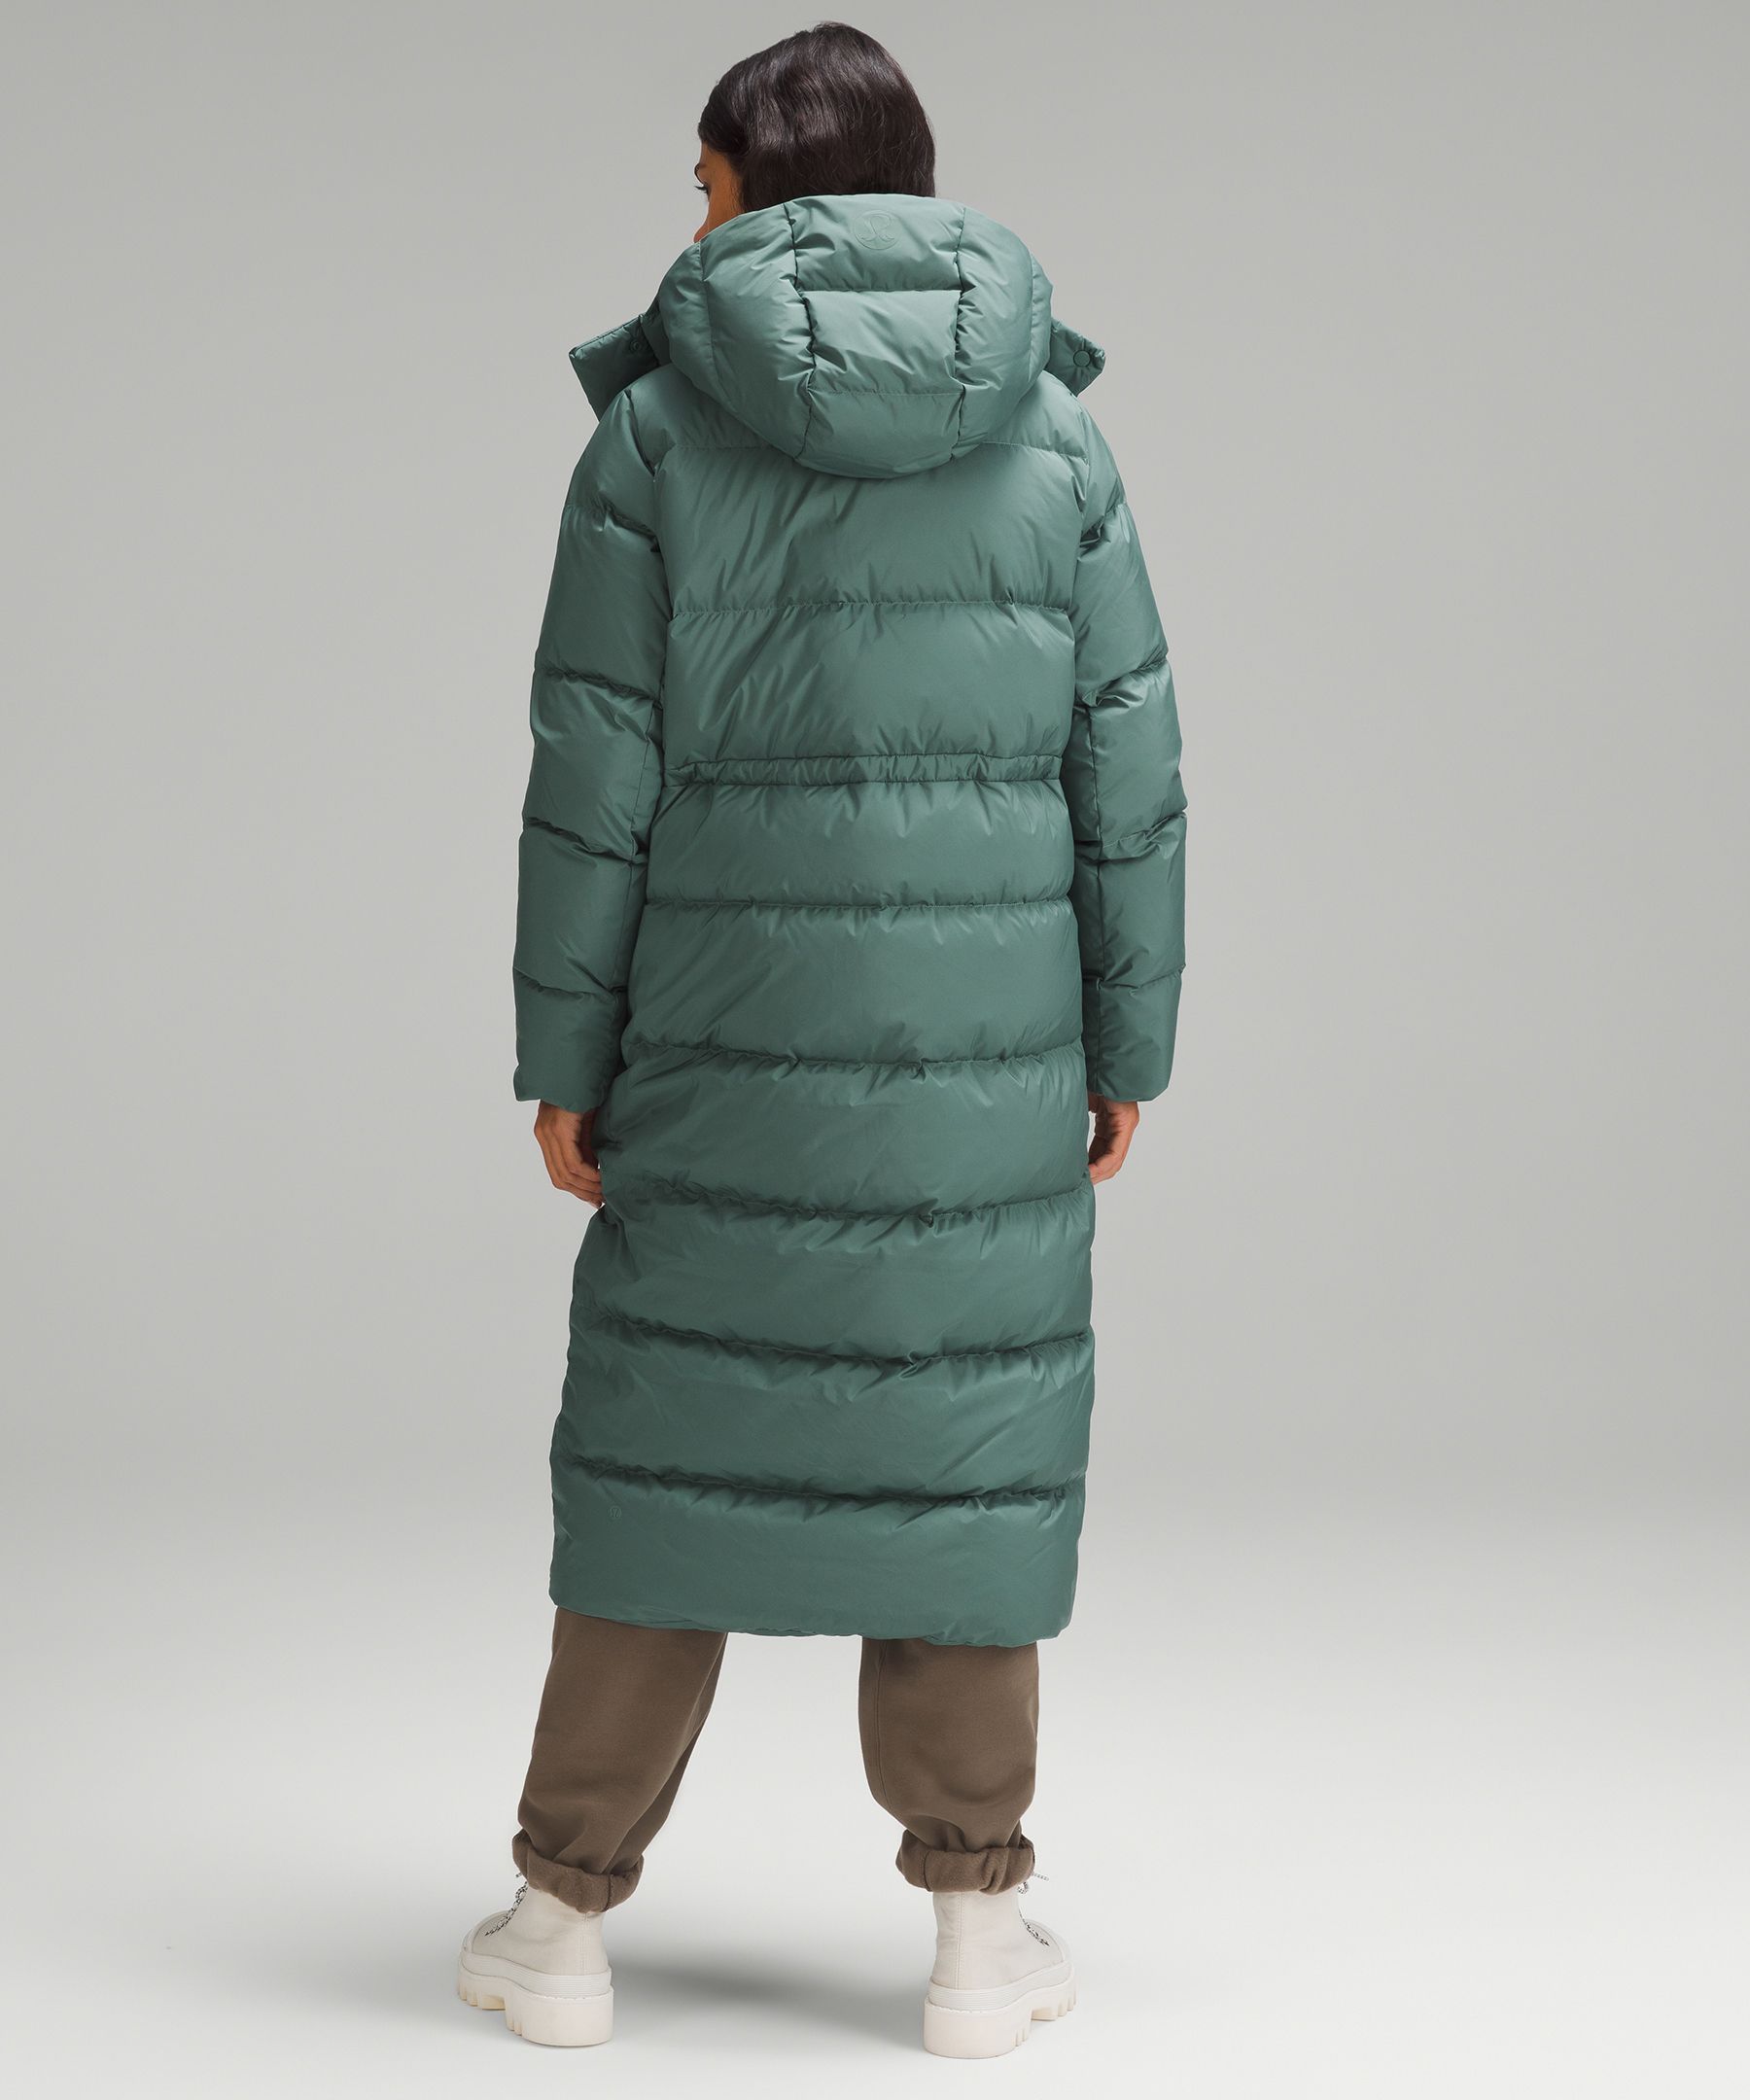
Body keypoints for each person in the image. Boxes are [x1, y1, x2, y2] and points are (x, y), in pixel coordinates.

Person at [459, 20, 1185, 2059]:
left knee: (669, 1452)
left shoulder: (653, 436)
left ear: (758, 188)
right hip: (986, 1060)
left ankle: (557, 1925)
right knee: (959, 1461)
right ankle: (976, 1945)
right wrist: (1125, 1038)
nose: (689, 214)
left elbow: (592, 779)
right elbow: (1127, 768)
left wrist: (563, 1058)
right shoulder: (1055, 438)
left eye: (702, 181)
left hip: (713, 1041)